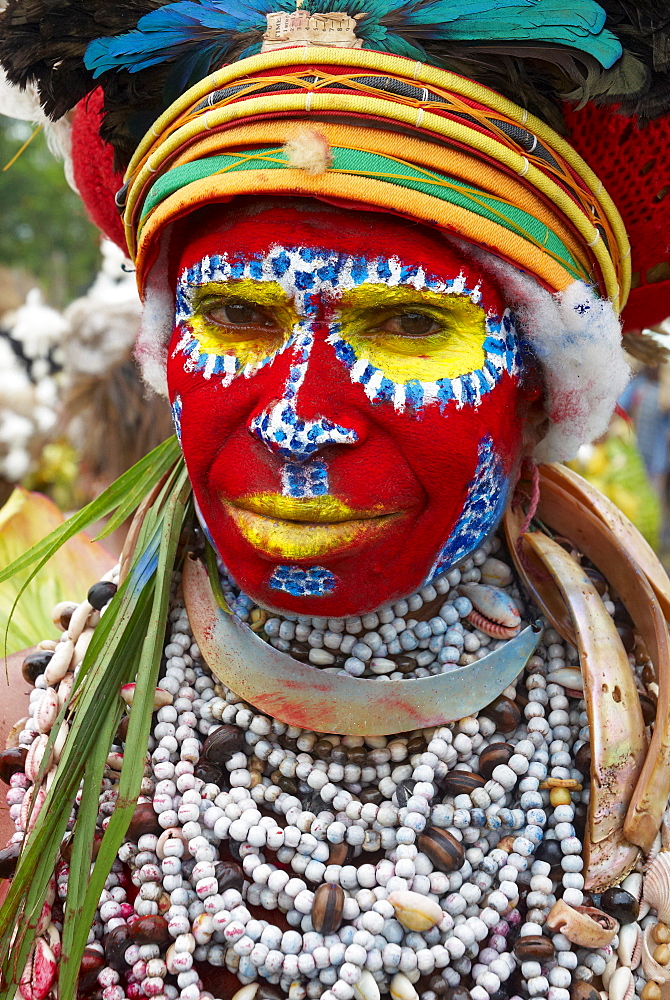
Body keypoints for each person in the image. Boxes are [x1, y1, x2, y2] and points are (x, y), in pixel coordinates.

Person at [0, 3, 669, 1000]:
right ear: (164, 356)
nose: (297, 420)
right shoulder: (23, 744)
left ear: (535, 388)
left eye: (407, 323)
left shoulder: (642, 766)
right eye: (234, 314)